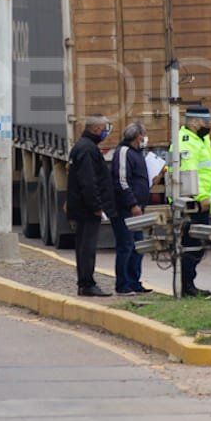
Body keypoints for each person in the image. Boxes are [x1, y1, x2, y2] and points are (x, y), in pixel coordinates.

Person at [67, 114, 115, 297]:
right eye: (104, 129)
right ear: (96, 129)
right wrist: (96, 206)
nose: (105, 132)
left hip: (82, 206)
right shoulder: (87, 149)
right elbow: (88, 181)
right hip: (86, 209)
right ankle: (87, 283)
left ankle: (85, 282)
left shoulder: (83, 146)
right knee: (87, 247)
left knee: (83, 246)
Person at [174, 105, 211, 298]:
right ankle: (186, 286)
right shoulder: (186, 142)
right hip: (193, 205)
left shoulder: (201, 139)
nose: (208, 125)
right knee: (191, 245)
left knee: (198, 245)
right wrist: (199, 201)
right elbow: (188, 177)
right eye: (204, 122)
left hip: (204, 202)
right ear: (192, 122)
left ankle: (188, 283)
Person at [110, 122, 155, 295]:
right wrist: (132, 204)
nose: (145, 138)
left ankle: (134, 281)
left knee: (138, 246)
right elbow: (121, 181)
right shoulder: (123, 152)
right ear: (138, 136)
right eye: (144, 134)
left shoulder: (138, 153)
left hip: (138, 208)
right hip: (125, 209)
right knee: (126, 245)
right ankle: (122, 284)